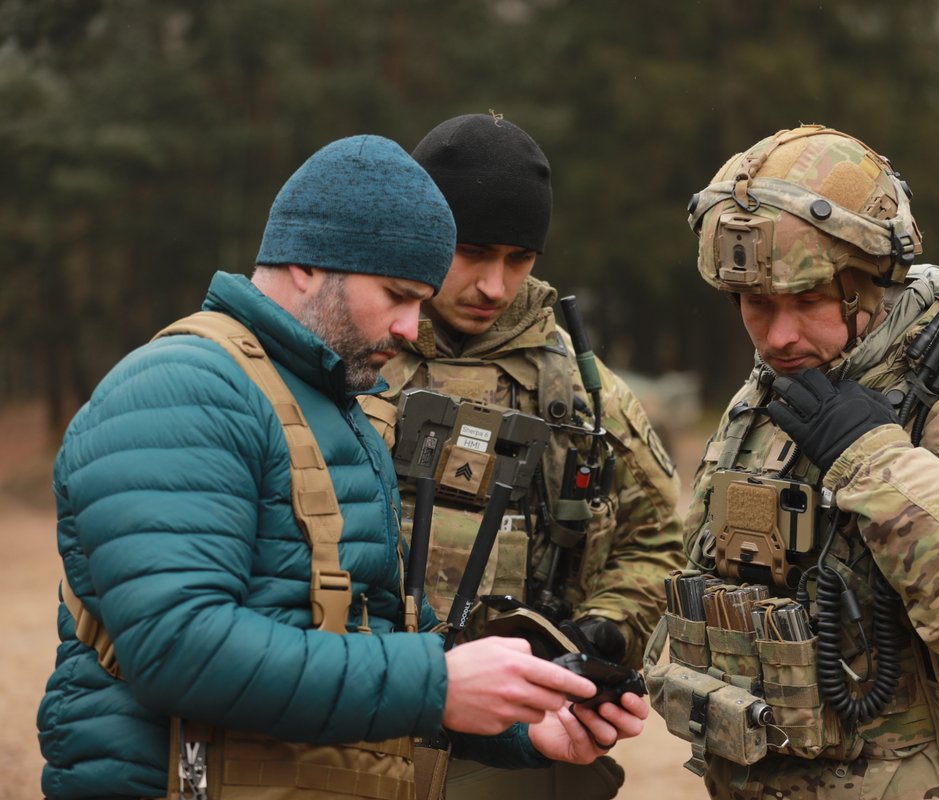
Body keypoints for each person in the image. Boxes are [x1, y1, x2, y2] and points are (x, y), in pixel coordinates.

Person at [37, 134, 648, 800]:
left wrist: (520, 728)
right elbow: (179, 647)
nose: (413, 328)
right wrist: (439, 683)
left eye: (422, 300)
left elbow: (356, 646)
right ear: (306, 262)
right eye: (396, 294)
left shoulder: (336, 409)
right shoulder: (182, 388)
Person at [648, 125, 939, 799]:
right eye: (755, 304)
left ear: (871, 284)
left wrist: (876, 463)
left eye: (806, 301)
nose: (777, 336)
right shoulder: (774, 391)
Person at [364, 114, 684, 800]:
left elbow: (658, 541)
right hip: (355, 722)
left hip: (518, 749)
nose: (494, 285)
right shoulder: (355, 358)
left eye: (519, 258)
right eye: (473, 251)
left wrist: (607, 626)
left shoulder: (581, 396)